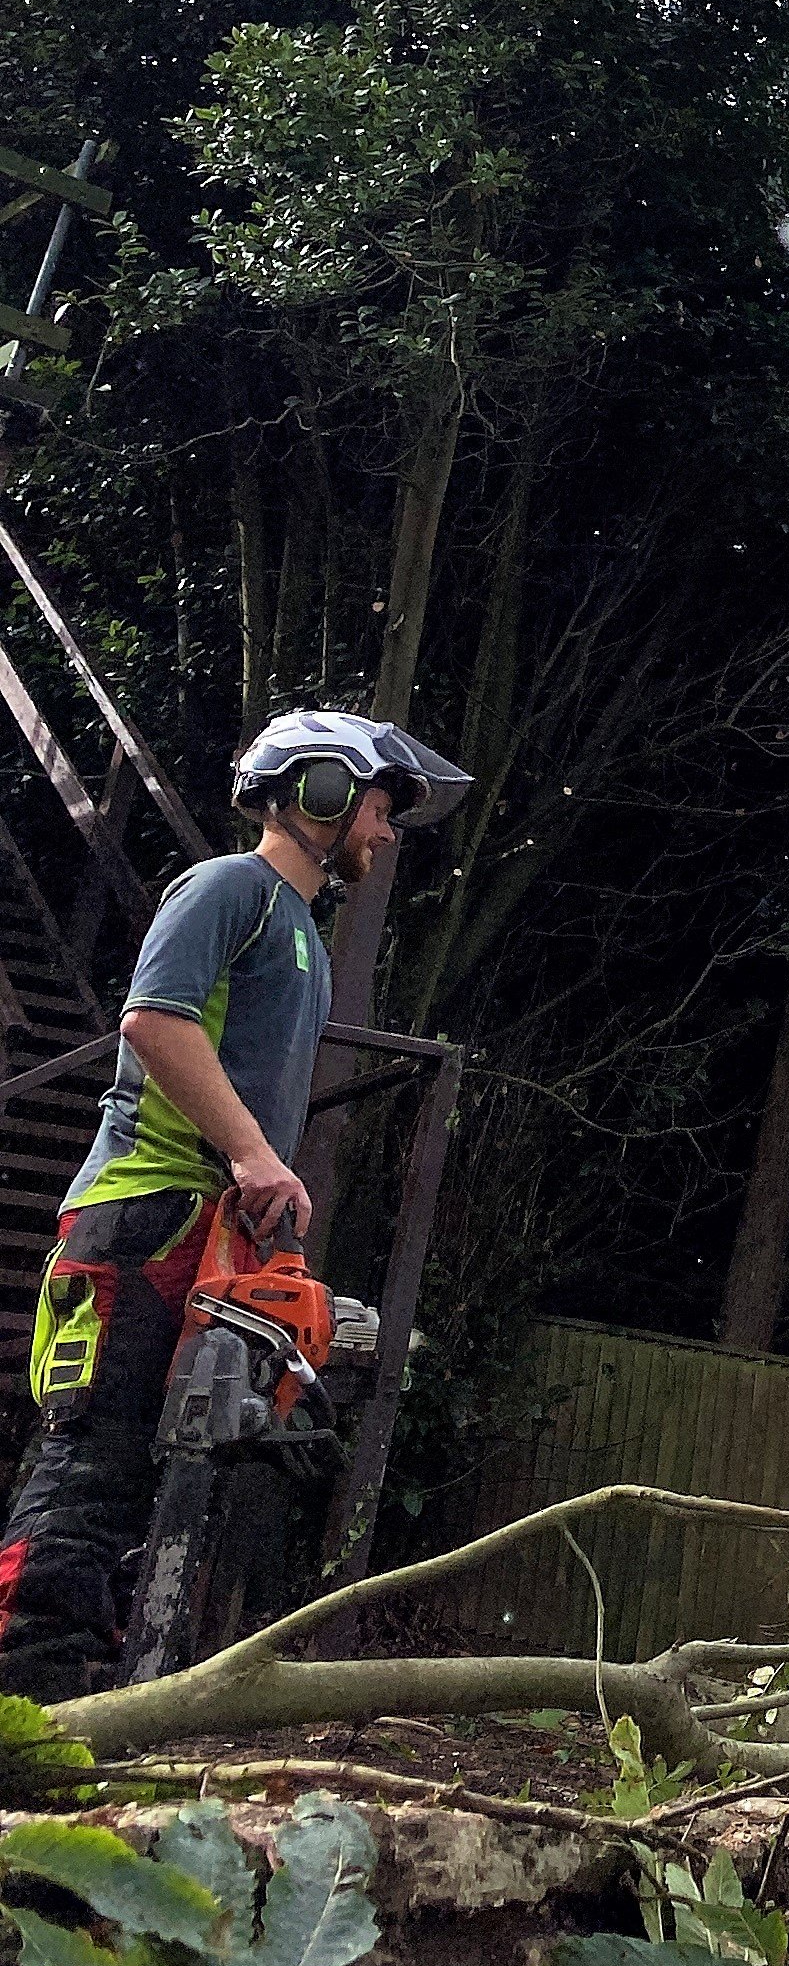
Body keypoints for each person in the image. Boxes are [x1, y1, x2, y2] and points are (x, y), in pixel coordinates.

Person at [0, 708, 467, 1699]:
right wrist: (255, 1153)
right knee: (92, 1466)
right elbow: (155, 1022)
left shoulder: (298, 931)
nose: (383, 834)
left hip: (201, 1227)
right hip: (143, 1214)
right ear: (321, 791)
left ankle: (87, 1708)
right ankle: (22, 1703)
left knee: (143, 1489)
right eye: (379, 809)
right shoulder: (230, 888)